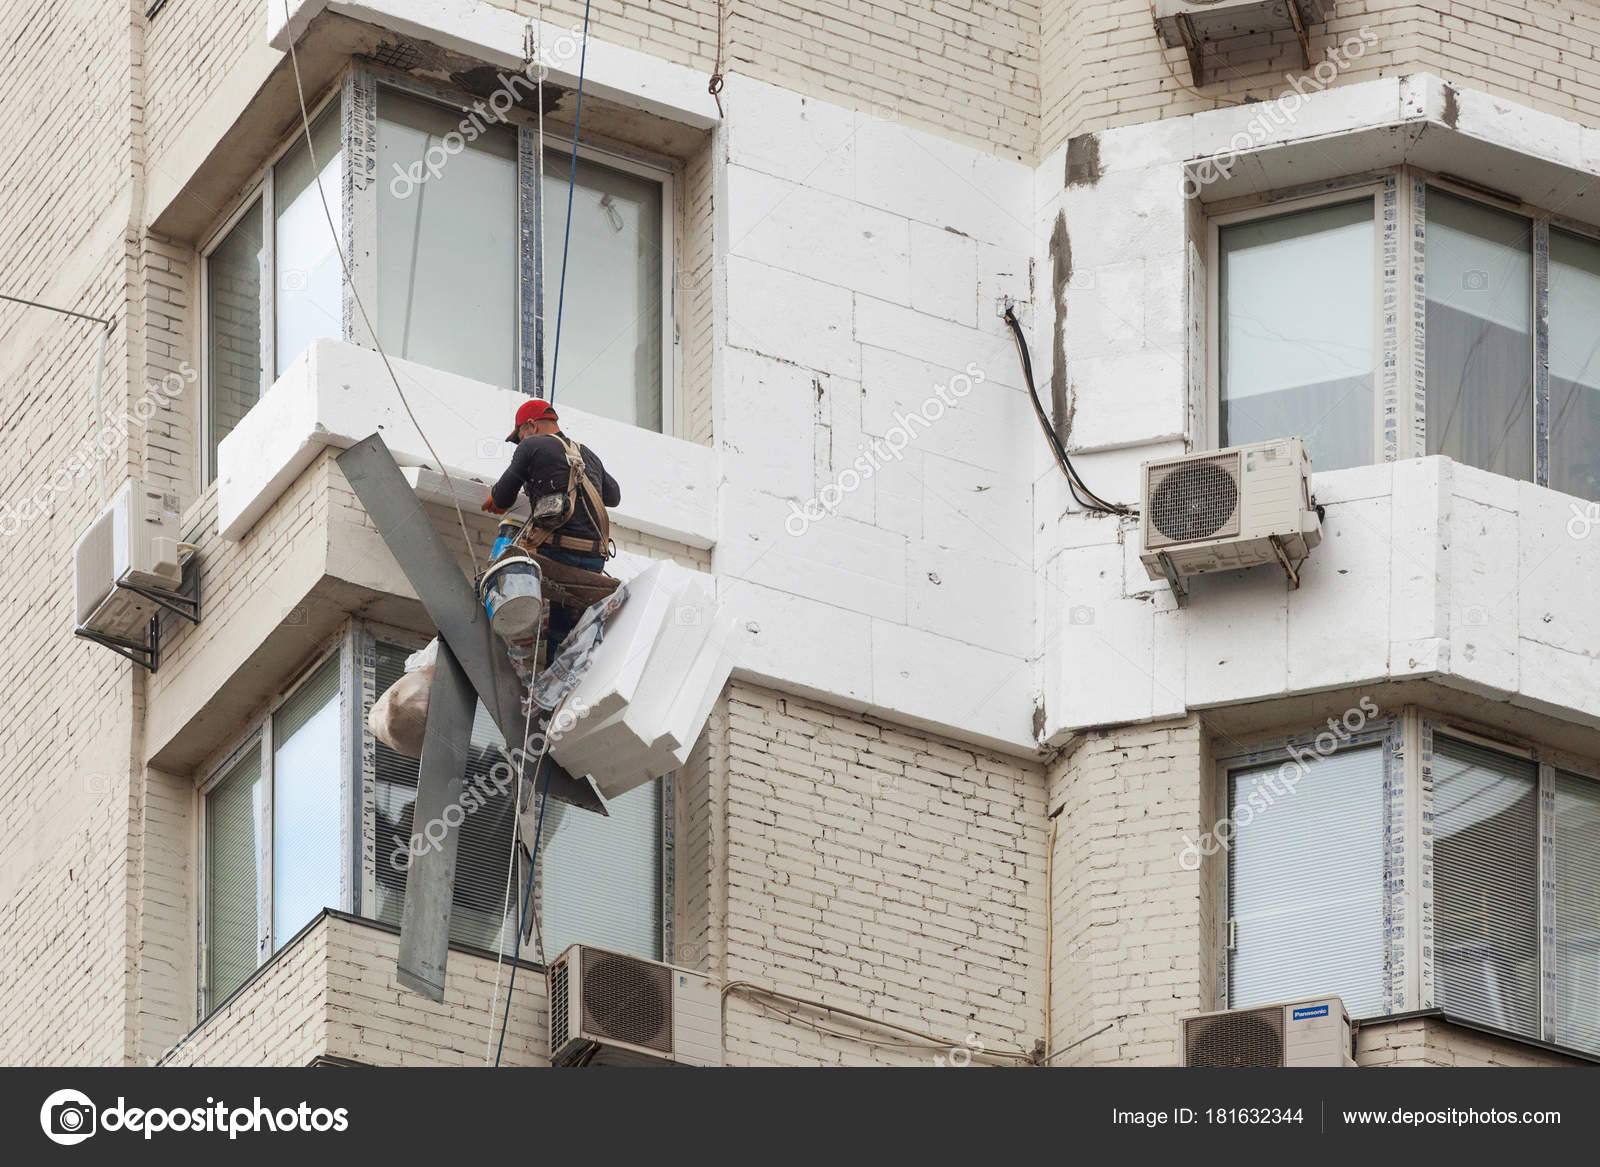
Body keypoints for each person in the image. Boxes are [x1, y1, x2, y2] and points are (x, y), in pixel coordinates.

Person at [482, 398, 621, 658]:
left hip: (554, 554)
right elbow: (613, 497)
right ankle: (557, 669)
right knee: (562, 623)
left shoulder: (532, 446)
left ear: (531, 426)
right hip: (591, 561)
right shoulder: (586, 454)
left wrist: (496, 496)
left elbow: (502, 499)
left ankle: (493, 620)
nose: (520, 442)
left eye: (519, 435)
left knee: (507, 548)